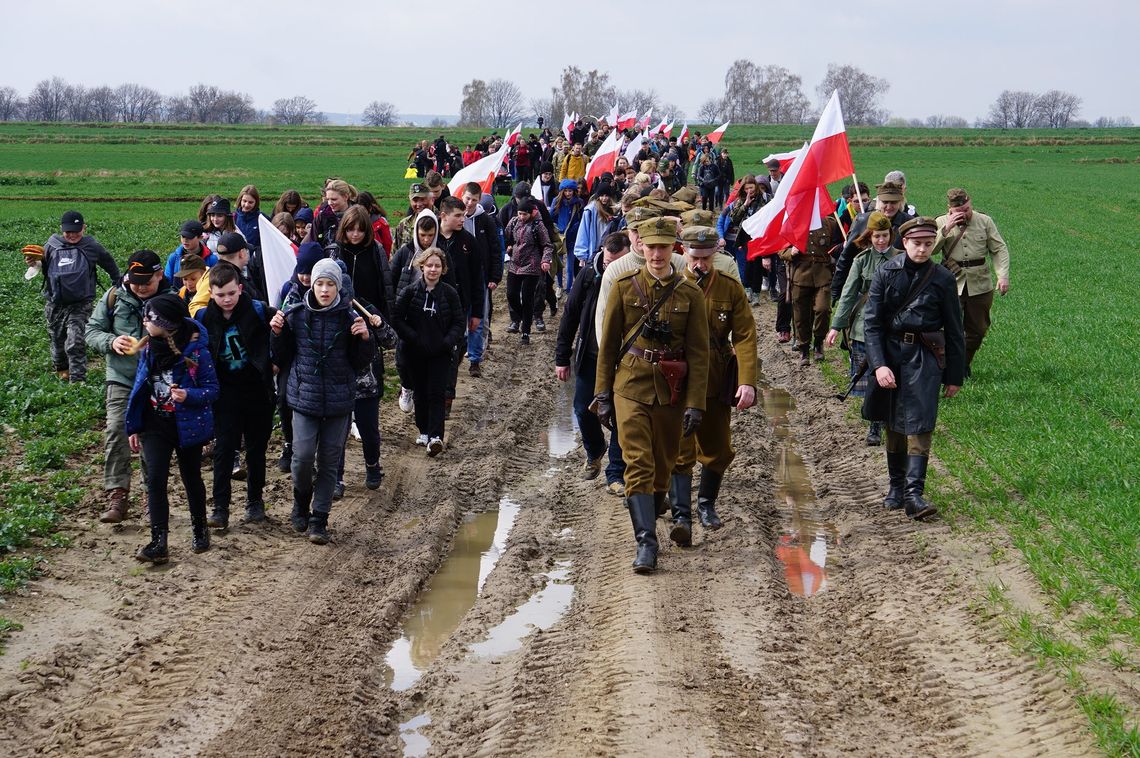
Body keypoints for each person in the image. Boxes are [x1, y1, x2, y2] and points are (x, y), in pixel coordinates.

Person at [593, 217, 710, 574]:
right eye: (650, 247)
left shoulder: (690, 293)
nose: (656, 254)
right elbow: (608, 346)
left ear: (674, 248)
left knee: (663, 467)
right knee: (638, 463)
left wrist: (696, 403)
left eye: (663, 247)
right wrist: (602, 393)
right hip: (630, 385)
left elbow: (699, 353)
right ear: (640, 247)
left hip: (672, 391)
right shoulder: (624, 287)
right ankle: (646, 543)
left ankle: (655, 506)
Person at [864, 217, 965, 521]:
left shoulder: (943, 279)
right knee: (894, 422)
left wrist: (954, 376)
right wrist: (879, 365)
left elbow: (955, 330)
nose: (922, 249)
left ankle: (914, 495)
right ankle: (896, 487)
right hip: (891, 355)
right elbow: (872, 324)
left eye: (928, 244)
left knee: (921, 422)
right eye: (917, 243)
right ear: (904, 242)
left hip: (925, 358)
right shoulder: (886, 273)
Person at [270, 258, 375, 544]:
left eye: (330, 284)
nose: (325, 290)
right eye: (320, 284)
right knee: (302, 458)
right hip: (304, 399)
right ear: (312, 286)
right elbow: (281, 357)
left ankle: (319, 519)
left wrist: (365, 339)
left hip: (339, 402)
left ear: (338, 287)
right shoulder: (295, 315)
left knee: (329, 462)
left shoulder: (350, 319)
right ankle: (301, 501)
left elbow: (360, 363)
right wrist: (276, 334)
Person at [670, 226, 757, 538]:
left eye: (706, 258)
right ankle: (681, 516)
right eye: (695, 257)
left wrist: (747, 381)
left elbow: (745, 335)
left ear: (715, 255)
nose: (700, 264)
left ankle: (706, 504)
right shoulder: (671, 285)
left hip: (715, 376)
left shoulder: (729, 288)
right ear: (683, 253)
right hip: (678, 377)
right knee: (679, 448)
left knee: (718, 446)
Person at [125, 293, 220, 564]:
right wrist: (133, 425)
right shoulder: (149, 348)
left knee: (191, 477)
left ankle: (200, 529)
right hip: (155, 425)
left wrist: (188, 395)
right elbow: (139, 388)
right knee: (155, 479)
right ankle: (159, 542)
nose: (144, 321)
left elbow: (213, 390)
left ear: (166, 324)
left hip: (186, 425)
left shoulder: (197, 351)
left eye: (150, 317)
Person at [86, 250, 171, 523]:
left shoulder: (172, 299)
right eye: (136, 281)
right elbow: (92, 331)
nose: (141, 287)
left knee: (151, 438)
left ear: (160, 275)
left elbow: (187, 334)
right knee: (115, 430)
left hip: (157, 380)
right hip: (121, 377)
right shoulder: (114, 296)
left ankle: (152, 497)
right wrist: (111, 341)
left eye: (147, 281)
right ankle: (118, 494)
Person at [197, 261, 277, 529]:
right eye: (220, 295)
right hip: (225, 393)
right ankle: (220, 507)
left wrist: (276, 360)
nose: (227, 299)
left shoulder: (258, 311)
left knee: (256, 449)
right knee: (224, 448)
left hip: (257, 390)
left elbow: (283, 334)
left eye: (231, 293)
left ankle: (255, 501)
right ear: (211, 293)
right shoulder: (204, 318)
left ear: (240, 288)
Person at [556, 232, 629, 494]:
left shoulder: (634, 279)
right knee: (583, 408)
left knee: (621, 415)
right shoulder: (588, 276)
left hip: (624, 361)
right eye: (608, 263)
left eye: (617, 263)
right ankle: (596, 449)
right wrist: (562, 357)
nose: (612, 269)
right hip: (591, 356)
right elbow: (570, 315)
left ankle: (616, 474)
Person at [825, 212, 899, 445]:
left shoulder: (902, 259)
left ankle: (891, 417)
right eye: (877, 236)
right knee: (870, 377)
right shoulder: (861, 261)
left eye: (885, 235)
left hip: (895, 327)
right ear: (870, 237)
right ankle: (874, 425)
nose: (881, 241)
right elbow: (848, 294)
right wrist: (836, 326)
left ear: (891, 235)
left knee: (892, 375)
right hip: (864, 327)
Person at [392, 248, 465, 456]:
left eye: (437, 266)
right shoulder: (410, 292)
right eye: (430, 265)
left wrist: (447, 342)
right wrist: (413, 338)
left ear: (443, 269)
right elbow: (397, 318)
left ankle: (436, 437)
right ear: (422, 266)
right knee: (421, 393)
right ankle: (423, 430)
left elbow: (458, 322)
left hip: (440, 353)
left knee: (437, 393)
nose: (433, 269)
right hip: (415, 352)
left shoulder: (450, 293)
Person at [932, 188, 1010, 375]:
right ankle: (948, 367)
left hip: (980, 283)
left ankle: (963, 363)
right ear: (950, 209)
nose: (964, 213)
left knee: (978, 330)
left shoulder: (984, 221)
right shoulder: (941, 222)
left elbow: (999, 249)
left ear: (970, 203)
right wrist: (946, 229)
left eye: (967, 209)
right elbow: (931, 250)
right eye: (959, 211)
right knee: (949, 328)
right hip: (951, 282)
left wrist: (1002, 275)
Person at [39, 210, 121, 384]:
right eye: (68, 231)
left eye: (76, 231)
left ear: (84, 228)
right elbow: (40, 266)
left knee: (75, 341)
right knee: (57, 339)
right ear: (62, 229)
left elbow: (108, 262)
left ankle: (77, 380)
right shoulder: (51, 245)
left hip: (81, 303)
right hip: (55, 303)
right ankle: (62, 369)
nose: (72, 235)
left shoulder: (91, 246)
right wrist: (33, 263)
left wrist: (117, 281)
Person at [275, 242, 327, 474]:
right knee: (284, 397)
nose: (305, 277)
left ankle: (311, 451)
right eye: (301, 271)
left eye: (310, 272)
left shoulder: (325, 289)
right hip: (290, 353)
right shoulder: (289, 289)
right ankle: (289, 443)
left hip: (315, 354)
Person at [832, 181, 914, 302]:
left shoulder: (909, 224)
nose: (889, 207)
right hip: (866, 288)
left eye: (893, 202)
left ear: (900, 202)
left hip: (898, 289)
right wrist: (837, 288)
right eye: (885, 202)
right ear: (878, 202)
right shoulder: (862, 221)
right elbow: (847, 255)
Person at [779, 214, 844, 365]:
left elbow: (836, 247)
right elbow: (781, 249)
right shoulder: (793, 223)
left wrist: (843, 246)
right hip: (800, 275)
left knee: (823, 309)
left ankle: (819, 342)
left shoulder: (830, 224)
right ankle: (804, 348)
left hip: (823, 274)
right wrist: (790, 252)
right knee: (801, 314)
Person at [460, 182, 502, 377]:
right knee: (458, 318)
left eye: (474, 200)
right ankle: (457, 352)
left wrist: (495, 276)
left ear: (478, 201)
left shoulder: (485, 220)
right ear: (462, 196)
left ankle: (475, 359)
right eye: (467, 198)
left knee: (477, 317)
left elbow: (495, 249)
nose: (469, 203)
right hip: (459, 277)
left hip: (480, 276)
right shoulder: (456, 216)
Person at [503, 198, 554, 344]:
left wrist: (545, 260)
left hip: (531, 266)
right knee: (511, 294)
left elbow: (547, 245)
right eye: (519, 213)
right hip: (514, 264)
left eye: (524, 214)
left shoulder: (538, 225)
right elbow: (506, 236)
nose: (521, 217)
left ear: (531, 213)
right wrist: (508, 246)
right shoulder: (513, 222)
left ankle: (525, 331)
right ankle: (523, 317)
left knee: (527, 298)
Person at [188, 231, 267, 315]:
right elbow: (195, 306)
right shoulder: (217, 275)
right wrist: (220, 319)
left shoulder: (231, 272)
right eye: (246, 250)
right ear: (241, 253)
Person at [163, 219, 216, 284]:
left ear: (200, 237)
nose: (185, 240)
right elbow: (167, 282)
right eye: (183, 236)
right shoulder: (174, 258)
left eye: (190, 237)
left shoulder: (211, 259)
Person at [393, 183, 434, 252]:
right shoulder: (404, 224)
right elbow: (394, 252)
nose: (419, 204)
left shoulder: (441, 222)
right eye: (415, 200)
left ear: (432, 199)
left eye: (422, 199)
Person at [234, 184, 268, 252]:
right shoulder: (233, 217)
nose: (246, 205)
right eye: (244, 201)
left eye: (250, 202)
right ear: (240, 200)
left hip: (256, 256)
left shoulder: (262, 219)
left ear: (256, 203)